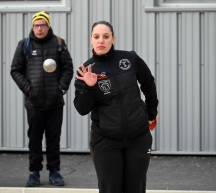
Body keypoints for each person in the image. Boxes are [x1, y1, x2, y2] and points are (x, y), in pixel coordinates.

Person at [73, 21, 159, 193]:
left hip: (138, 138)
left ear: (113, 38)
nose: (101, 41)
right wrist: (89, 86)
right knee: (110, 189)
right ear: (91, 39)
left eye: (106, 36)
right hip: (106, 141)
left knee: (135, 188)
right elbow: (82, 109)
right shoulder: (85, 71)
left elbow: (148, 84)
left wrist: (151, 112)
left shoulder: (130, 59)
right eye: (96, 37)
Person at [10, 11, 74, 187]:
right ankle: (34, 172)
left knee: (54, 139)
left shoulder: (59, 43)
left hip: (55, 103)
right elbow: (15, 70)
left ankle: (54, 172)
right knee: (35, 139)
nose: (39, 28)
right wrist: (28, 90)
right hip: (34, 103)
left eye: (42, 25)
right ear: (33, 27)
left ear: (48, 26)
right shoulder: (25, 45)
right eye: (36, 25)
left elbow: (68, 68)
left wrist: (61, 88)